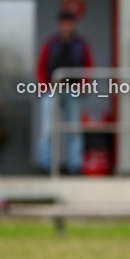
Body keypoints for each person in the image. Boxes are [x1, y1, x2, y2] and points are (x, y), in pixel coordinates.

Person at [36, 10, 94, 174]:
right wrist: (44, 87)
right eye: (64, 23)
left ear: (73, 25)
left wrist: (83, 85)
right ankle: (46, 165)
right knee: (48, 129)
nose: (67, 27)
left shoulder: (81, 44)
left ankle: (75, 165)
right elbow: (41, 66)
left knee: (74, 128)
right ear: (59, 25)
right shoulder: (51, 44)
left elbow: (88, 66)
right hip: (52, 89)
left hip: (73, 90)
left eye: (70, 23)